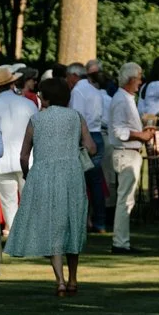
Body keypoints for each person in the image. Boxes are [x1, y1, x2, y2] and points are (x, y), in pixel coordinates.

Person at [8, 74, 94, 296]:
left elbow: (24, 156)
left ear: (45, 98)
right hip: (72, 175)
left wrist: (28, 175)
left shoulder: (37, 120)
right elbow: (91, 147)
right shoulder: (76, 117)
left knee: (54, 228)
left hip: (44, 175)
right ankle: (74, 278)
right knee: (73, 225)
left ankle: (61, 281)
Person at [0, 65, 39, 281]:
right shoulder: (27, 104)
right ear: (12, 83)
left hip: (0, 161)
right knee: (28, 199)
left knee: (9, 201)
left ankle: (16, 238)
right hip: (25, 158)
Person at [104, 63, 148, 254]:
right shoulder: (122, 100)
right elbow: (119, 130)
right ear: (131, 80)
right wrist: (140, 135)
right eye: (138, 78)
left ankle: (122, 241)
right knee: (125, 199)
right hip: (126, 152)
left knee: (127, 199)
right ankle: (120, 242)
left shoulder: (126, 98)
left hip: (129, 152)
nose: (140, 82)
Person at [67, 63, 113, 231]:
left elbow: (77, 117)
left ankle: (82, 221)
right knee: (95, 181)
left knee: (81, 181)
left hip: (86, 136)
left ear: (73, 75)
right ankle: (99, 220)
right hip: (97, 134)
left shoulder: (78, 91)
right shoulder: (95, 91)